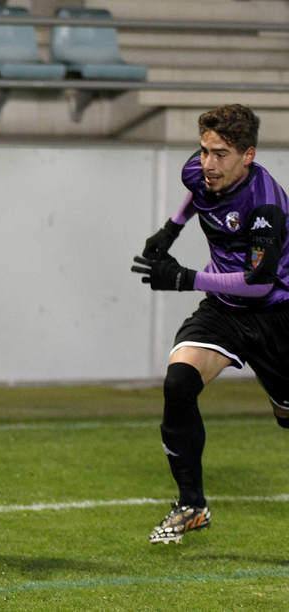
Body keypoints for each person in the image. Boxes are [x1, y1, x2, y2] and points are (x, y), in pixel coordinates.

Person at [131, 104, 289, 544]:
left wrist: (185, 279)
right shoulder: (200, 171)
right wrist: (171, 229)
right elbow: (195, 195)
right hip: (223, 311)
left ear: (248, 155)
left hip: (277, 316)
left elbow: (259, 284)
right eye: (204, 150)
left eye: (220, 154)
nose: (208, 163)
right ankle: (191, 505)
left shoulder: (265, 205)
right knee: (179, 383)